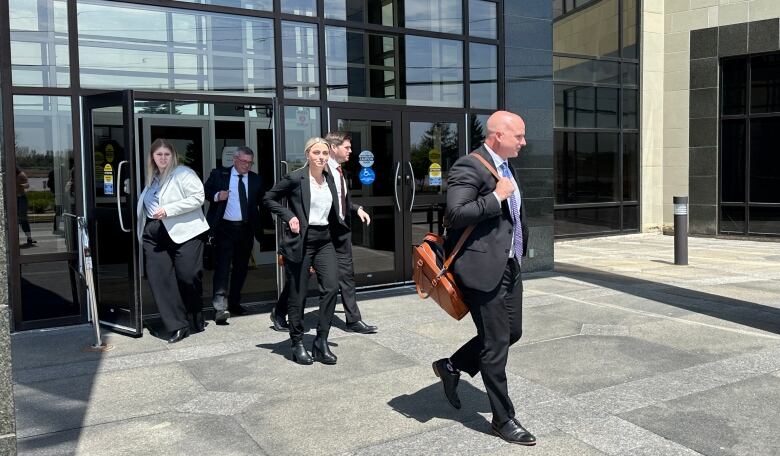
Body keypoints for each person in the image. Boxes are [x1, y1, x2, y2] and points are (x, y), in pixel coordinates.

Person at [431, 111, 535, 446]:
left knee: (511, 332)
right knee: (495, 343)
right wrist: (496, 197)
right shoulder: (469, 166)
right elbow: (455, 214)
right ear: (497, 135)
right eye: (518, 136)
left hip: (509, 266)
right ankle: (503, 420)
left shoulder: (506, 166)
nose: (523, 141)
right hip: (482, 269)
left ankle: (452, 365)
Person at [269, 132, 378, 334]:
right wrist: (291, 217)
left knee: (345, 276)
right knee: (300, 280)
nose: (350, 151)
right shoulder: (316, 171)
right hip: (318, 234)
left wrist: (357, 209)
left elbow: (340, 201)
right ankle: (281, 312)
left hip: (339, 233)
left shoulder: (338, 172)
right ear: (334, 148)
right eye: (347, 147)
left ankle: (353, 320)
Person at [263, 137, 341, 365]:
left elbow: (335, 208)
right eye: (316, 153)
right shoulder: (296, 178)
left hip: (324, 239)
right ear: (307, 154)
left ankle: (321, 341)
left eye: (325, 153)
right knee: (298, 292)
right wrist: (289, 216)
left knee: (331, 287)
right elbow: (268, 198)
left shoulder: (329, 178)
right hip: (302, 241)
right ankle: (297, 342)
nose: (321, 157)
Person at [136, 138, 210, 343]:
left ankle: (195, 312)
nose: (162, 158)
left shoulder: (183, 173)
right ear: (152, 157)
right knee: (160, 280)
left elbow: (198, 197)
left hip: (185, 232)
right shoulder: (152, 179)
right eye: (158, 154)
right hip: (154, 233)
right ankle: (177, 325)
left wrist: (169, 210)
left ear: (173, 156)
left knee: (188, 276)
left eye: (166, 154)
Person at [204, 146, 265, 324]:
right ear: (235, 160)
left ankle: (235, 302)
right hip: (224, 229)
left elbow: (264, 200)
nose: (247, 165)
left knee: (241, 268)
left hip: (245, 229)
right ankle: (220, 309)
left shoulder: (256, 179)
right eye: (244, 162)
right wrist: (216, 196)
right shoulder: (219, 175)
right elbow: (204, 192)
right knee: (222, 268)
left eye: (250, 162)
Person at [16, 167, 36, 247]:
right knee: (14, 220)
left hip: (21, 198)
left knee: (23, 219)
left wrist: (22, 185)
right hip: (13, 199)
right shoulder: (10, 175)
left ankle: (29, 238)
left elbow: (27, 185)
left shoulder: (21, 175)